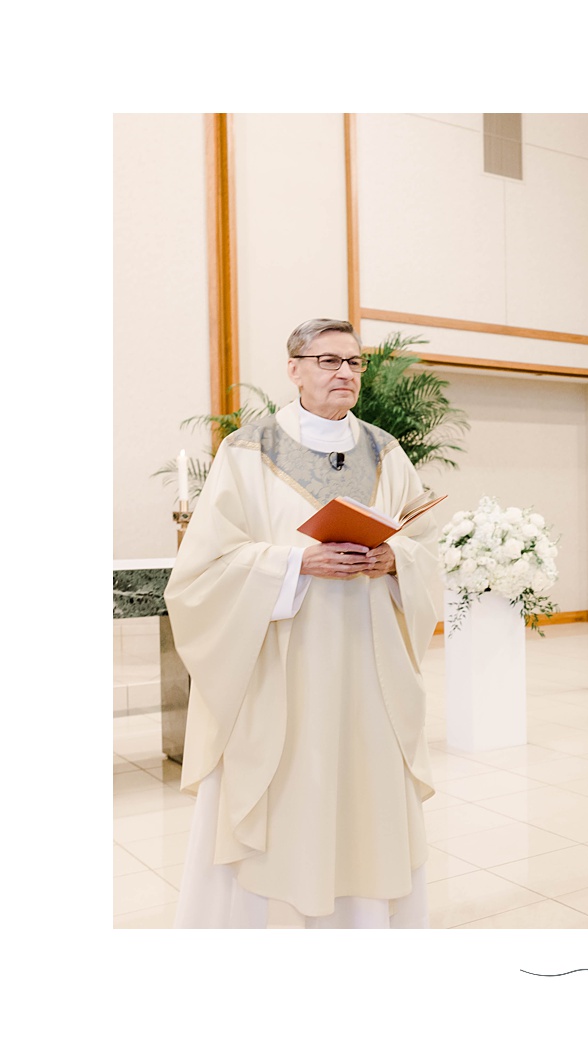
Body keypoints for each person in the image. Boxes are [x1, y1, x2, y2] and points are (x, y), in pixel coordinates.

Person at [165, 318, 441, 928]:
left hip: (369, 670)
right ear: (293, 369)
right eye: (328, 361)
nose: (345, 373)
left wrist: (396, 560)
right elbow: (201, 572)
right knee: (290, 792)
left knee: (363, 801)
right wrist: (294, 563)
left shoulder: (385, 450)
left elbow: (427, 544)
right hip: (281, 669)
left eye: (354, 363)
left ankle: (362, 931)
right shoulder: (248, 451)